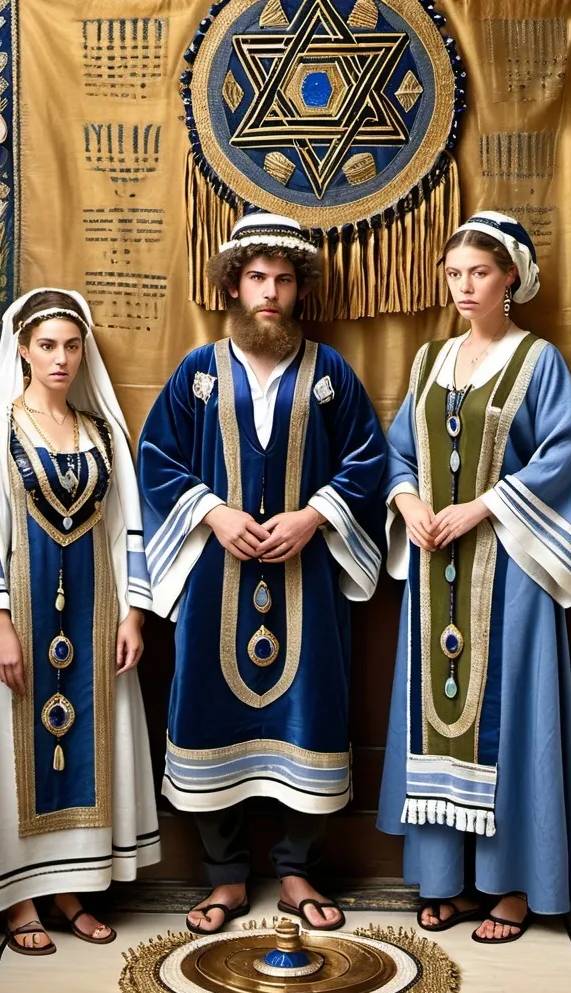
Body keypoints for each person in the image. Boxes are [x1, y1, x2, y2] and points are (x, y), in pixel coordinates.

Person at [138, 213, 386, 935]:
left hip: (308, 580)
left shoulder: (332, 374)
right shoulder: (198, 373)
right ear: (233, 286)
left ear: (300, 289)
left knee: (310, 714)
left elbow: (366, 460)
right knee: (210, 711)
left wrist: (314, 517)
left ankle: (298, 871)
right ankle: (225, 879)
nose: (269, 294)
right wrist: (213, 514)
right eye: (256, 279)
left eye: (282, 280)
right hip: (217, 578)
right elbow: (158, 457)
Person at [377, 212, 571, 944]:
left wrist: (480, 509)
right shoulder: (431, 361)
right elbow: (399, 451)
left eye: (480, 273)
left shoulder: (540, 363)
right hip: (436, 568)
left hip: (513, 570)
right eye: (455, 273)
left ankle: (513, 886)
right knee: (438, 719)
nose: (464, 287)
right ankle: (443, 882)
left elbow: (560, 459)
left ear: (511, 280)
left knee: (513, 715)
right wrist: (408, 503)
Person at [0, 288, 160, 955]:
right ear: (23, 350)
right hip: (22, 623)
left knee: (90, 747)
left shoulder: (101, 433)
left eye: (70, 345)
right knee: (15, 754)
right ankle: (19, 899)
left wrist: (135, 616)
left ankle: (70, 890)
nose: (60, 358)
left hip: (95, 623)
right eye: (46, 345)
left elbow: (130, 528)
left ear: (83, 348)